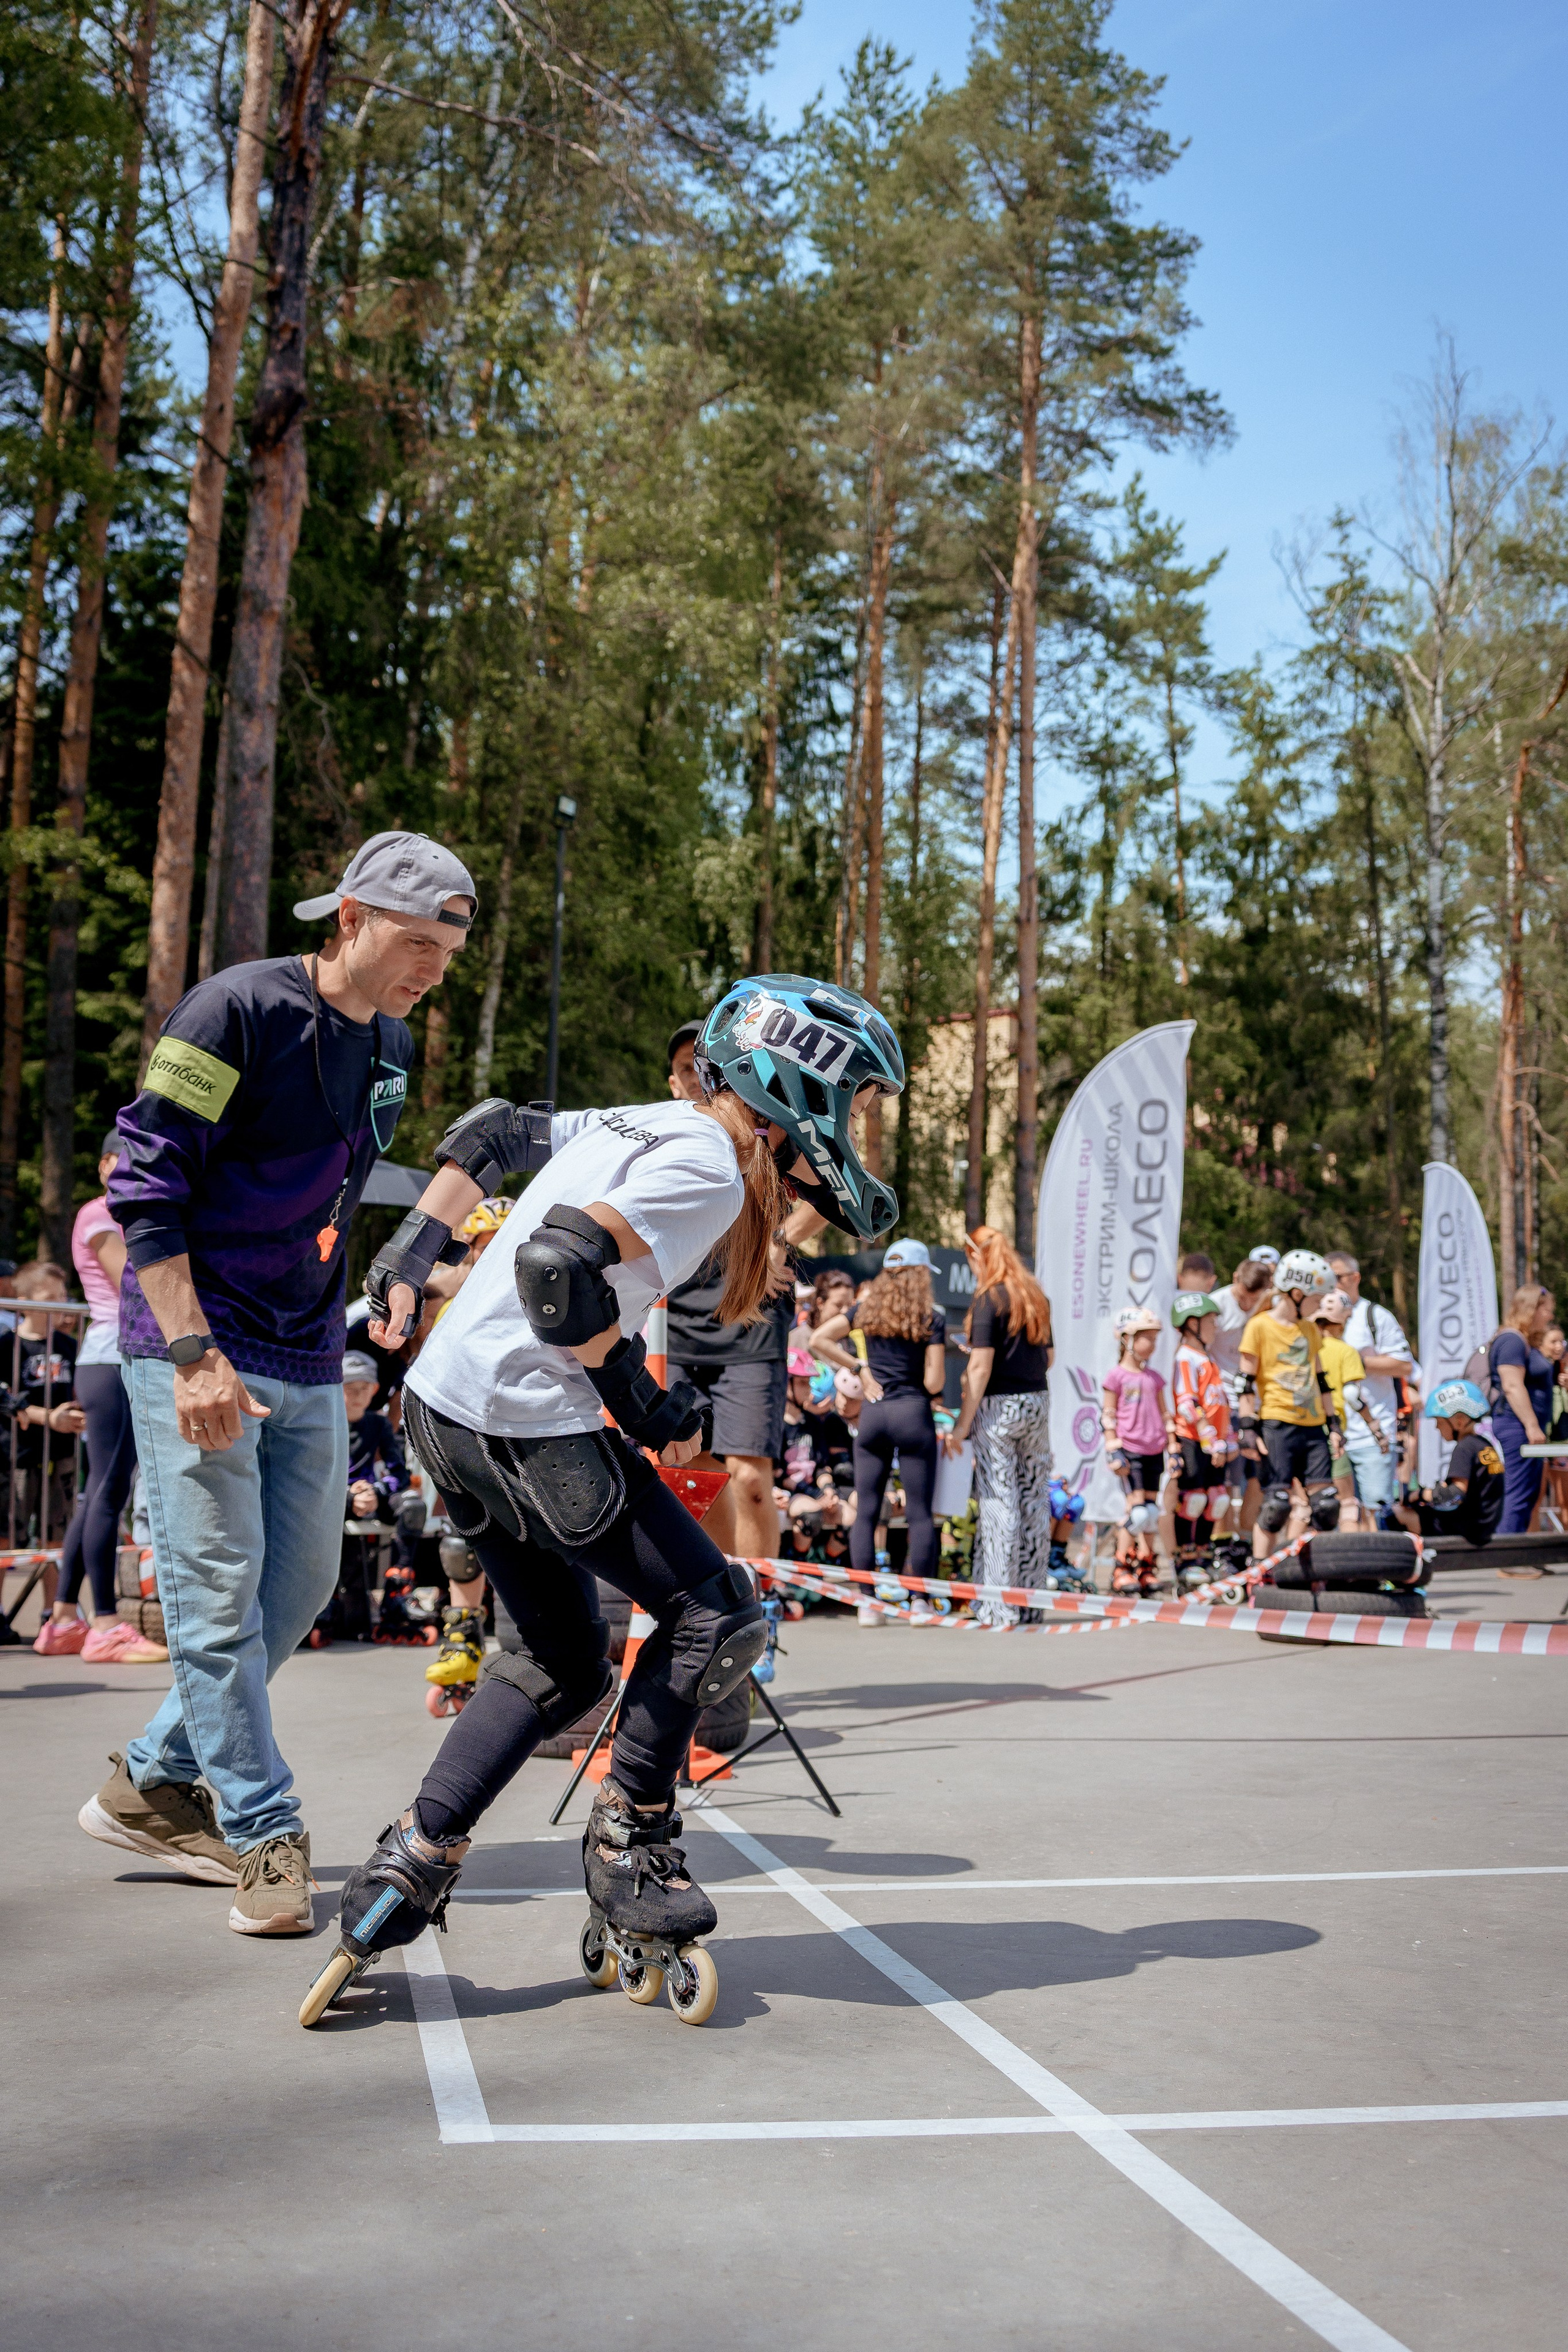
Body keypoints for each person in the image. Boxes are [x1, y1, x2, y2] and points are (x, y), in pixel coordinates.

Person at [301, 971, 902, 2028]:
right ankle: (634, 1835)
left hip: (444, 1409)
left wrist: (409, 1252)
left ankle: (409, 1861)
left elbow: (490, 1132)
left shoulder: (644, 1119)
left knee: (558, 1656)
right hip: (527, 1418)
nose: (851, 1127)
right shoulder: (713, 1161)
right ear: (795, 1083)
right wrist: (630, 1386)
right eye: (850, 1101)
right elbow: (558, 1267)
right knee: (717, 1610)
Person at [77, 831, 492, 1924]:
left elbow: (338, 1197)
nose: (430, 973)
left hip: (308, 1354)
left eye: (447, 956)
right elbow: (143, 1186)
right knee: (217, 1600)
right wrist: (191, 1353)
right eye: (415, 945)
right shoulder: (229, 1011)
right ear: (349, 917)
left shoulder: (391, 1047)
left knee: (295, 1589)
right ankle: (264, 1832)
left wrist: (372, 1311)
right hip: (197, 1345)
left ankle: (150, 1781)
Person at [663, 1019, 827, 1564]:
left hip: (752, 1320)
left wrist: (780, 1239)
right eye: (685, 1069)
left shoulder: (770, 1127)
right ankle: (725, 1611)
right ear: (672, 1082)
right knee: (692, 1468)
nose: (694, 1077)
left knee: (749, 1476)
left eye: (702, 1066)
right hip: (675, 1324)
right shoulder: (665, 1133)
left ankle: (762, 1616)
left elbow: (836, 1182)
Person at [36, 1136, 149, 1659]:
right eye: (126, 1160)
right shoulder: (99, 1213)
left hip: (115, 1358)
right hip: (112, 1356)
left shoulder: (134, 1210)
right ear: (105, 1164)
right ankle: (105, 1624)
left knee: (99, 1492)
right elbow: (136, 1281)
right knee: (107, 1491)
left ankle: (63, 1619)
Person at [815, 1238, 945, 1626]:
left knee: (867, 1508)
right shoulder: (931, 1317)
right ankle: (919, 1602)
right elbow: (935, 1380)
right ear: (921, 1275)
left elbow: (821, 1339)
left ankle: (868, 1603)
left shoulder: (866, 1309)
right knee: (920, 1513)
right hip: (913, 1414)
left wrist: (859, 1368)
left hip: (873, 1414)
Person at [945, 1223, 1061, 1624]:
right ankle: (1029, 1602)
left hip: (999, 1408)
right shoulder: (1035, 1297)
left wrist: (962, 1425)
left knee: (999, 1502)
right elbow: (1048, 1358)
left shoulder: (987, 1300)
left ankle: (997, 1604)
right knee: (1033, 1501)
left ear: (977, 1256)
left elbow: (980, 1368)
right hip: (1037, 1404)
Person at [1238, 1249, 1344, 1549]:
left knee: (1326, 1507)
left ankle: (1310, 1570)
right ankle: (1260, 1578)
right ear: (1297, 1293)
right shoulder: (1259, 1326)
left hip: (1312, 1427)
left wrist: (1334, 1426)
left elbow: (1322, 1382)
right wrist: (1247, 1429)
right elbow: (1244, 1383)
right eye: (1315, 1298)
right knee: (1276, 1508)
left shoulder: (1310, 1329)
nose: (1320, 1306)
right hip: (1276, 1425)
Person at [1325, 1251, 1413, 1521]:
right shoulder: (1314, 1317)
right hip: (1331, 1436)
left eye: (1337, 1277)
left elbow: (1404, 1365)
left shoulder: (1375, 1315)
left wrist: (1353, 1362)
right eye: (1327, 1278)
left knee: (1376, 1513)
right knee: (1337, 1515)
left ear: (1355, 1278)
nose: (1333, 1283)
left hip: (1371, 1436)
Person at [1167, 1291, 1235, 1586]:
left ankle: (1205, 1555)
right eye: (1210, 1320)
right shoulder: (1185, 1357)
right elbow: (1187, 1403)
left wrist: (1229, 1438)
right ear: (1192, 1323)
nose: (1215, 1326)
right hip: (1194, 1439)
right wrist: (1210, 1437)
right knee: (1193, 1499)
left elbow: (1219, 1402)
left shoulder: (1207, 1357)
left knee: (1217, 1500)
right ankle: (1185, 1558)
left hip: (1216, 1441)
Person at [1306, 1288, 1385, 1533]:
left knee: (1305, 1505)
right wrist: (1375, 1428)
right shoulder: (1345, 1351)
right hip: (1331, 1433)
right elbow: (1352, 1396)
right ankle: (1350, 1567)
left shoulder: (1304, 1346)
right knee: (1347, 1504)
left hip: (1299, 1430)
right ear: (1342, 1321)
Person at [1102, 1304, 1167, 1592]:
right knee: (1137, 1513)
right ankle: (1121, 1567)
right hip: (1132, 1450)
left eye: (1155, 1339)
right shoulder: (1116, 1376)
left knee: (1152, 1513)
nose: (1152, 1344)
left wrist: (1174, 1447)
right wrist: (1112, 1447)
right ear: (1128, 1339)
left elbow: (1166, 1415)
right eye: (1147, 1338)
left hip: (1155, 1450)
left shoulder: (1154, 1378)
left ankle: (1146, 1565)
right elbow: (1108, 1414)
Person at [1392, 1381, 1504, 1550]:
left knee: (1397, 1514)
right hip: (1485, 1524)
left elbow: (1455, 1495)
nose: (1437, 1427)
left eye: (1440, 1421)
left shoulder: (1465, 1448)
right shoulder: (1484, 1445)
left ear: (1459, 1421)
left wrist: (1420, 1495)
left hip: (1469, 1529)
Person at [1485, 1283, 1557, 1534]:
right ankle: (1507, 1558)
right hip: (1517, 1427)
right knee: (1517, 1493)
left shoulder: (1526, 1342)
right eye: (1547, 1310)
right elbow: (1512, 1386)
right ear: (1531, 1309)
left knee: (1530, 1494)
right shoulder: (1511, 1340)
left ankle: (1520, 1554)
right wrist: (1531, 1425)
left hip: (1527, 1428)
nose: (1550, 1317)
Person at [1210, 1258, 1275, 1536]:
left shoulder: (1272, 1305)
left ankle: (1246, 1538)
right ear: (1235, 1278)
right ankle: (1223, 1542)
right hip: (1227, 1403)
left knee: (1258, 1477)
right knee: (1226, 1480)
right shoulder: (1217, 1305)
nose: (1247, 1304)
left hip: (1261, 1405)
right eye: (1243, 1297)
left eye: (1253, 1299)